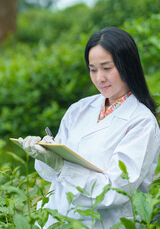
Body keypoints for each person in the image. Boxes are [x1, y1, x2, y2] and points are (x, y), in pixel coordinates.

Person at [18, 27, 160, 229]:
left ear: (127, 65)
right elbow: (54, 177)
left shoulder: (141, 121)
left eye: (107, 68)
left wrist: (62, 166)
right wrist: (44, 154)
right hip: (58, 221)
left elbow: (115, 192)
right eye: (93, 69)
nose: (99, 78)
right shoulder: (80, 109)